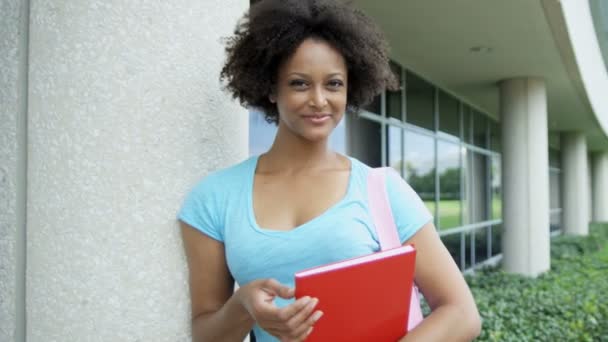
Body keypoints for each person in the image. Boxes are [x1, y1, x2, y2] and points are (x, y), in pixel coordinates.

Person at [178, 0, 481, 341]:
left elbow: (461, 312)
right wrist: (242, 306)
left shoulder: (381, 190)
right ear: (269, 87)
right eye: (299, 83)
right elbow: (205, 333)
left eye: (334, 84)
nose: (319, 100)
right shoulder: (214, 198)